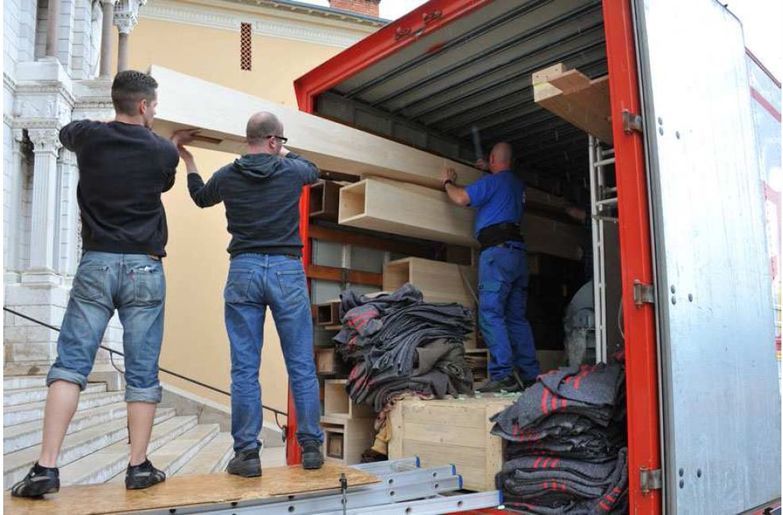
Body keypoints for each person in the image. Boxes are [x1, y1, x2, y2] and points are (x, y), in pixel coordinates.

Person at [11, 70, 188, 497]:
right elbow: (163, 177)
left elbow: (69, 131)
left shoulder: (87, 136)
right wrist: (165, 139)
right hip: (145, 267)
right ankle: (138, 466)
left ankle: (46, 467)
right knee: (142, 371)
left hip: (97, 262)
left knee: (71, 364)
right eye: (154, 105)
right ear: (145, 106)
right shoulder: (164, 151)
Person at [174, 111, 324, 477]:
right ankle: (311, 449)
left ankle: (247, 455)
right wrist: (282, 152)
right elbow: (313, 169)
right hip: (286, 271)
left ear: (248, 139)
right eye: (280, 141)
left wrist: (189, 158)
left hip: (244, 270)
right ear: (274, 141)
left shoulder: (228, 175)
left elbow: (199, 197)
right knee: (301, 364)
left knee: (244, 368)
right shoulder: (291, 170)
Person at [441, 142, 540, 393]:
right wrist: (489, 168)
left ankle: (503, 374)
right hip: (517, 255)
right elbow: (501, 185)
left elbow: (462, 198)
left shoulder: (494, 182)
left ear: (494, 159)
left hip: (496, 255)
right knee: (516, 318)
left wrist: (447, 183)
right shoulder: (516, 185)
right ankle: (530, 375)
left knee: (491, 313)